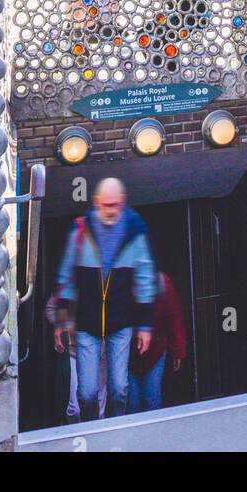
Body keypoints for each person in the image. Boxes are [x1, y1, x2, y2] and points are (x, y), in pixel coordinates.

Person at [54, 177, 156, 420]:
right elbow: (66, 277)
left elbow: (144, 279)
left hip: (120, 324)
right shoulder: (80, 231)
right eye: (105, 205)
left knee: (119, 388)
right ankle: (93, 429)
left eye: (115, 205)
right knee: (87, 392)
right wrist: (61, 320)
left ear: (121, 203)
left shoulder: (134, 233)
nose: (110, 210)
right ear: (97, 202)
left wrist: (144, 324)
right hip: (87, 324)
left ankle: (114, 429)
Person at [128, 270, 186, 413]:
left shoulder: (162, 283)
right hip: (127, 353)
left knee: (151, 399)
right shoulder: (122, 282)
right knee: (132, 403)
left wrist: (177, 351)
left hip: (155, 350)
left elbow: (174, 318)